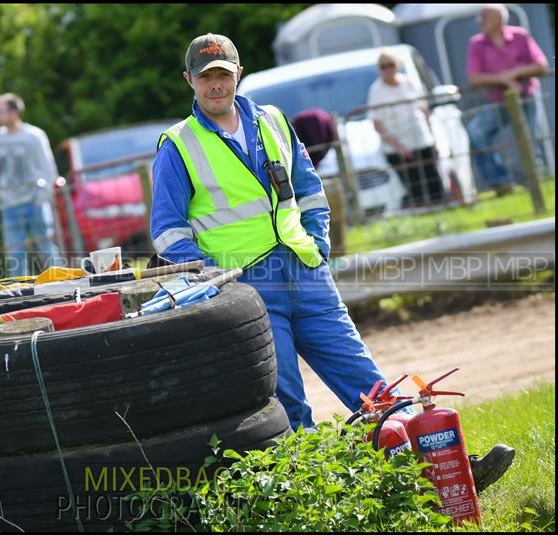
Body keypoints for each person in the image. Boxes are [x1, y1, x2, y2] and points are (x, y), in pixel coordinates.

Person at [150, 32, 514, 493]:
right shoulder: (178, 145)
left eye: (223, 74)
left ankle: (444, 475)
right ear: (189, 81)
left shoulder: (273, 121)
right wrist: (222, 285)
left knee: (369, 385)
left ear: (238, 73)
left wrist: (318, 242)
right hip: (250, 290)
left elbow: (310, 188)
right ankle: (318, 503)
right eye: (205, 78)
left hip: (306, 271)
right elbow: (169, 232)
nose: (215, 85)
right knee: (286, 401)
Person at [466, 3, 548, 195]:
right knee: (476, 134)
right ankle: (500, 182)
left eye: (484, 17)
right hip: (499, 100)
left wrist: (515, 72)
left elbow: (541, 64)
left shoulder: (520, 35)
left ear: (498, 19)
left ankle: (537, 182)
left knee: (530, 139)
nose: (480, 21)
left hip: (527, 96)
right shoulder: (477, 43)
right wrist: (502, 79)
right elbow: (474, 77)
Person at [0, 92, 60, 277]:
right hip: (10, 203)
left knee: (45, 246)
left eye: (0, 111)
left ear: (14, 112)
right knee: (15, 253)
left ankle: (61, 283)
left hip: (34, 200)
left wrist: (43, 196)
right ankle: (20, 291)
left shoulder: (34, 135)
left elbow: (48, 167)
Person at [367, 49, 446, 207]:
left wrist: (433, 137)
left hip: (422, 140)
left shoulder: (410, 82)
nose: (388, 69)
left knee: (434, 182)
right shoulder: (376, 91)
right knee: (414, 187)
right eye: (384, 66)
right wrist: (400, 147)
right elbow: (377, 123)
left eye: (391, 64)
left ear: (397, 65)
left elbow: (424, 110)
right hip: (396, 148)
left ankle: (443, 212)